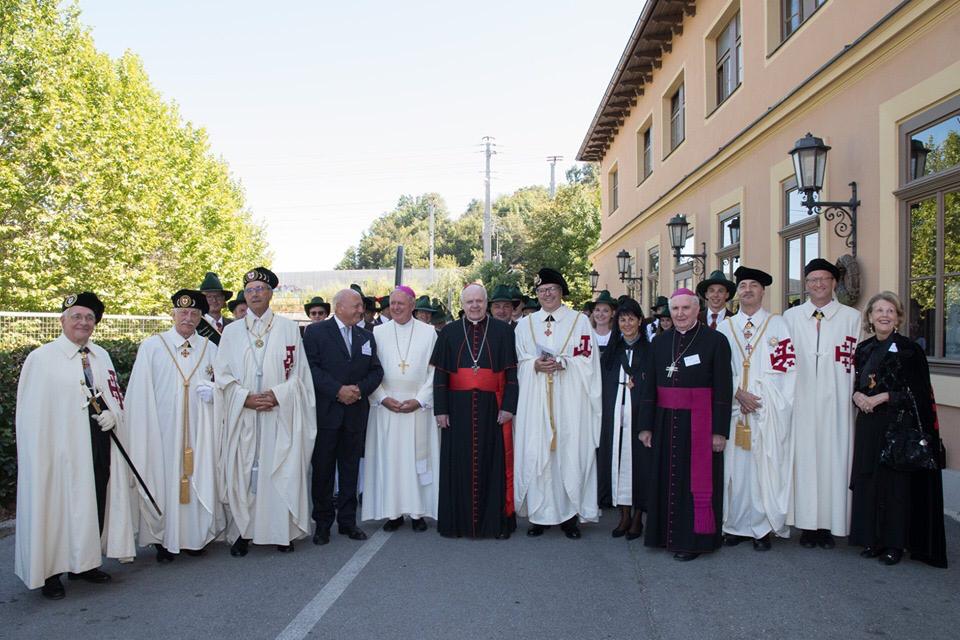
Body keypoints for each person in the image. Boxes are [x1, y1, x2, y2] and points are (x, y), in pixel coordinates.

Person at [15, 293, 136, 599]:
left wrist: (113, 413)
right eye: (77, 316)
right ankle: (51, 571)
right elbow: (31, 415)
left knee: (93, 500)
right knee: (55, 506)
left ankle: (84, 563)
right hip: (56, 450)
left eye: (89, 318)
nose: (83, 322)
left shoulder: (101, 356)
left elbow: (112, 394)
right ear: (63, 320)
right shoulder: (42, 359)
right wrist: (41, 455)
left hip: (96, 442)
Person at [216, 267, 317, 556]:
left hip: (278, 416)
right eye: (250, 290)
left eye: (261, 289)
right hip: (244, 416)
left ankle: (280, 532)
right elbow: (221, 376)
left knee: (279, 471)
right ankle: (242, 533)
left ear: (271, 294)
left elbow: (300, 376)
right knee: (243, 472)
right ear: (244, 297)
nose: (255, 294)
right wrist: (244, 398)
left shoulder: (288, 328)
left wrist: (277, 395)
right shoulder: (232, 332)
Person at [849, 292, 947, 567]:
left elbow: (918, 394)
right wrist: (857, 397)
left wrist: (883, 397)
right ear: (869, 317)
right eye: (878, 310)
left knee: (895, 488)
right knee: (870, 483)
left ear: (898, 318)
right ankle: (872, 539)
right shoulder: (864, 349)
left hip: (898, 426)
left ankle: (894, 544)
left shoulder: (909, 350)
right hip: (869, 425)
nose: (884, 315)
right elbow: (858, 385)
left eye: (890, 311)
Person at [125, 290, 222, 562]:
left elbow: (225, 384)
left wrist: (215, 392)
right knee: (163, 479)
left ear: (201, 318)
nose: (188, 318)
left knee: (198, 476)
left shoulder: (210, 348)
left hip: (200, 430)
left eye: (194, 314)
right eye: (183, 313)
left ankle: (195, 536)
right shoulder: (153, 346)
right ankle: (164, 539)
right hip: (162, 431)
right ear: (173, 314)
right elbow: (140, 393)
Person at [639, 289, 732, 561]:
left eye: (685, 309)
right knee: (665, 477)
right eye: (675, 309)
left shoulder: (715, 341)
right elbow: (648, 387)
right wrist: (645, 426)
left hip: (700, 422)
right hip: (665, 421)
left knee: (693, 482)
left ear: (696, 309)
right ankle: (662, 536)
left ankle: (693, 541)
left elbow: (723, 388)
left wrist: (719, 431)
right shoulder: (659, 342)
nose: (680, 314)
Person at [515, 268, 602, 539]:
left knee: (569, 452)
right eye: (541, 291)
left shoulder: (579, 322)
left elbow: (588, 361)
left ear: (561, 292)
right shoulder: (525, 325)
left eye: (551, 289)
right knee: (538, 453)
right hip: (537, 402)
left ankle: (569, 515)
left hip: (570, 402)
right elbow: (518, 362)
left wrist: (564, 362)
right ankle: (539, 516)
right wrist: (534, 365)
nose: (547, 294)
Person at [783, 258, 861, 549]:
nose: (818, 284)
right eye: (812, 280)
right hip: (801, 401)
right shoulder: (790, 318)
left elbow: (858, 363)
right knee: (803, 462)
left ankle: (829, 525)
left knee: (833, 461)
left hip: (836, 403)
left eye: (824, 279)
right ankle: (806, 525)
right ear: (805, 285)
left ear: (834, 283)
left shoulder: (851, 318)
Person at [717, 267, 796, 551]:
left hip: (764, 410)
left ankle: (761, 528)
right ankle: (734, 525)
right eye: (743, 285)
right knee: (734, 470)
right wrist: (738, 393)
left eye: (754, 285)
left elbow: (786, 369)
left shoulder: (778, 326)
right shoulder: (725, 328)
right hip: (734, 410)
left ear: (763, 291)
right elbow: (718, 370)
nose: (748, 289)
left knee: (763, 468)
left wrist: (758, 397)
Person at [431, 283, 518, 538]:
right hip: (457, 410)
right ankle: (456, 524)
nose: (475, 306)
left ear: (486, 303)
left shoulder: (502, 331)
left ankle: (496, 524)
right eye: (470, 302)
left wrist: (509, 407)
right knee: (458, 466)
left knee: (493, 465)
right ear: (462, 304)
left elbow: (512, 374)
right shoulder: (449, 332)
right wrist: (441, 410)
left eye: (479, 301)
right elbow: (440, 376)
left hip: (493, 408)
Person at [304, 288, 384, 544]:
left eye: (361, 306)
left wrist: (359, 390)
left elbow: (376, 371)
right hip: (327, 414)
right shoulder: (315, 332)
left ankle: (348, 522)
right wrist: (337, 390)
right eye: (357, 305)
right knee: (324, 471)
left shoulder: (365, 336)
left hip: (355, 414)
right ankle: (323, 523)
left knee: (350, 470)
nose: (361, 310)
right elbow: (310, 369)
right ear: (339, 306)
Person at [362, 286, 439, 531]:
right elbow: (369, 371)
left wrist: (420, 399)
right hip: (387, 408)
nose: (395, 307)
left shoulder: (429, 333)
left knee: (418, 459)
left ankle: (418, 513)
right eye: (392, 303)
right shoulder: (377, 332)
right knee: (391, 461)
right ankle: (392, 513)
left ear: (412, 305)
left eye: (401, 303)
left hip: (418, 406)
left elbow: (435, 372)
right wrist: (382, 398)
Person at [600, 297, 651, 538]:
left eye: (631, 318)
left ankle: (638, 517)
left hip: (639, 417)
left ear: (640, 321)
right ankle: (623, 516)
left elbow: (653, 384)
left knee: (639, 465)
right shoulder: (611, 352)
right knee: (618, 463)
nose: (627, 323)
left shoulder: (650, 351)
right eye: (622, 319)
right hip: (616, 417)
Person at [197, 272, 233, 345]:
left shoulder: (233, 325)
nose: (214, 300)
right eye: (209, 297)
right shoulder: (196, 326)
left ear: (224, 300)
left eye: (218, 296)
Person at [591, 290, 617, 355]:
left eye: (605, 311)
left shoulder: (617, 337)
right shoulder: (587, 335)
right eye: (597, 310)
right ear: (593, 312)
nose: (600, 314)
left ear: (613, 314)